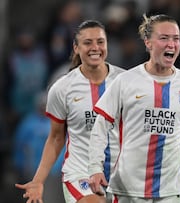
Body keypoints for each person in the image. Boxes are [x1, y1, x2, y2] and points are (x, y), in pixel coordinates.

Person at [88, 14, 180, 203]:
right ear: (148, 42)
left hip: (171, 190)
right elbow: (100, 127)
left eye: (176, 39)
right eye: (164, 38)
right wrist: (95, 168)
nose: (171, 44)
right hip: (129, 189)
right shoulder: (125, 81)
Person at [15, 20, 125, 203]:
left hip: (120, 174)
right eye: (87, 42)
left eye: (100, 41)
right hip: (80, 173)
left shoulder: (126, 81)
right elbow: (56, 138)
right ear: (76, 47)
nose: (95, 47)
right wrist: (37, 181)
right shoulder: (62, 88)